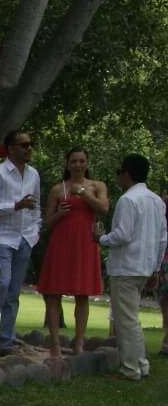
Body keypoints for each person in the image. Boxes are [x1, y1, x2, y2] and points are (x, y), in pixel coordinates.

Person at [97, 153, 164, 380]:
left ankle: (130, 368)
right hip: (144, 266)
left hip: (126, 266)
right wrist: (155, 267)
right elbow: (162, 238)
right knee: (131, 317)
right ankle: (141, 364)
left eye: (119, 173)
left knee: (126, 320)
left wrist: (101, 238)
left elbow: (123, 235)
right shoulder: (156, 201)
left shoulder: (128, 200)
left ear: (126, 174)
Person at [37, 147, 109, 358]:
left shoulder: (97, 186)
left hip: (85, 244)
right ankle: (55, 343)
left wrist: (84, 194)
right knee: (52, 293)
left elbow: (104, 209)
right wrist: (59, 214)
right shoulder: (57, 190)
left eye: (82, 161)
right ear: (67, 164)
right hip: (61, 244)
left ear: (87, 163)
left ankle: (79, 341)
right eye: (74, 161)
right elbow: (47, 223)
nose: (78, 165)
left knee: (82, 294)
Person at [0, 130, 41, 357]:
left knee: (14, 292)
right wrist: (16, 205)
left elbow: (36, 205)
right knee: (1, 285)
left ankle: (6, 342)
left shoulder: (33, 174)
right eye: (24, 145)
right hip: (2, 237)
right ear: (11, 148)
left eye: (30, 144)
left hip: (25, 237)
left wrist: (35, 231)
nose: (29, 148)